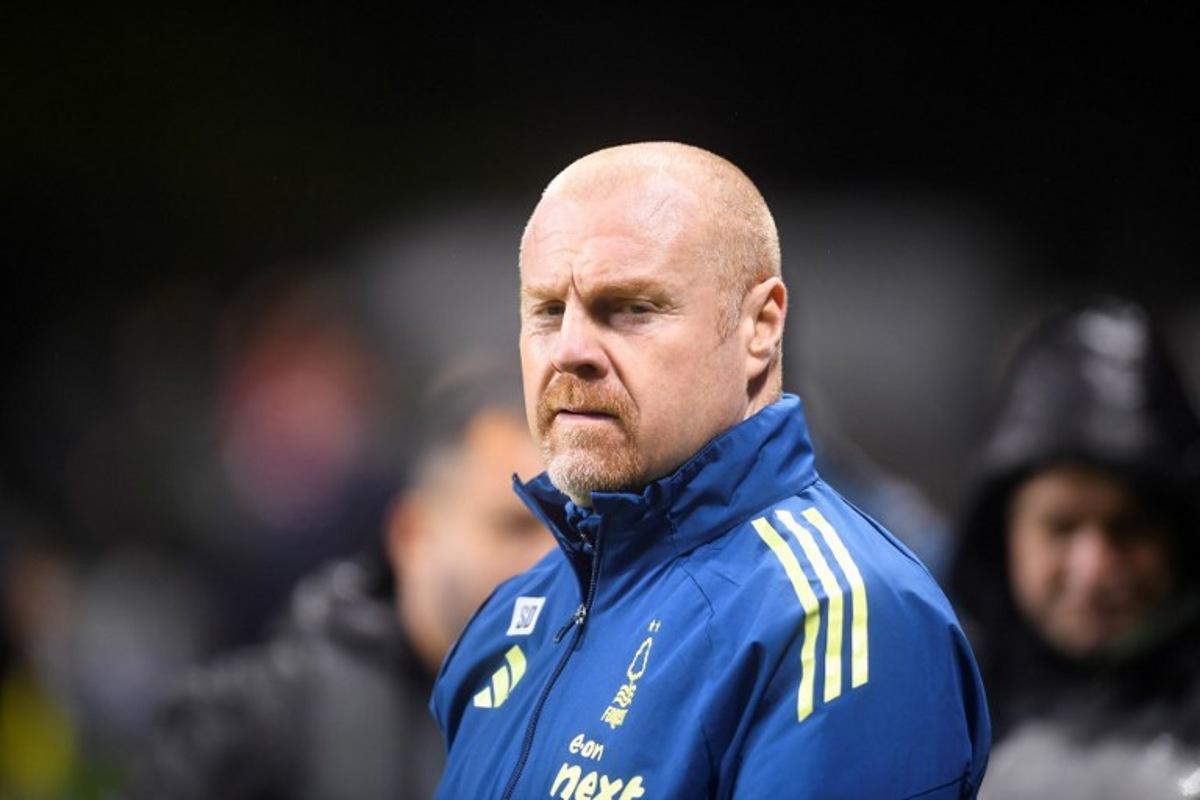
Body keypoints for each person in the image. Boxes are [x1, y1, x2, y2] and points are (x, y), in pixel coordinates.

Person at [431, 142, 990, 799]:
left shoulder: (838, 618)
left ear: (761, 325)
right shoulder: (513, 618)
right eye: (549, 311)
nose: (572, 351)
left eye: (630, 308)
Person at [131, 356, 552, 800]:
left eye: (574, 528)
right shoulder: (257, 722)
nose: (553, 558)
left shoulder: (592, 717)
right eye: (517, 526)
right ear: (413, 537)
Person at [948, 299, 1200, 799]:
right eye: (1061, 528)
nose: (1094, 568)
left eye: (1128, 529)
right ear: (1002, 535)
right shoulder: (938, 707)